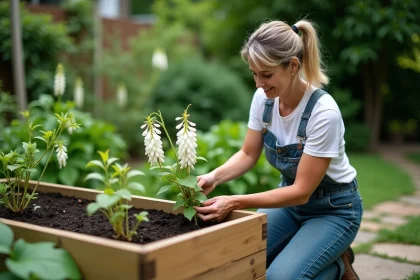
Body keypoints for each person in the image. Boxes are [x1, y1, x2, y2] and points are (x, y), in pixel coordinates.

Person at [194, 19, 363, 280]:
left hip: (333, 210)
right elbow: (248, 153)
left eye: (266, 74)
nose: (258, 83)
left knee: (278, 278)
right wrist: (214, 177)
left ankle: (339, 266)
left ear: (292, 66)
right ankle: (317, 251)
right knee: (240, 259)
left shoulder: (323, 113)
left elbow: (301, 192)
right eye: (254, 73)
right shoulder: (264, 100)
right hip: (289, 205)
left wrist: (235, 201)